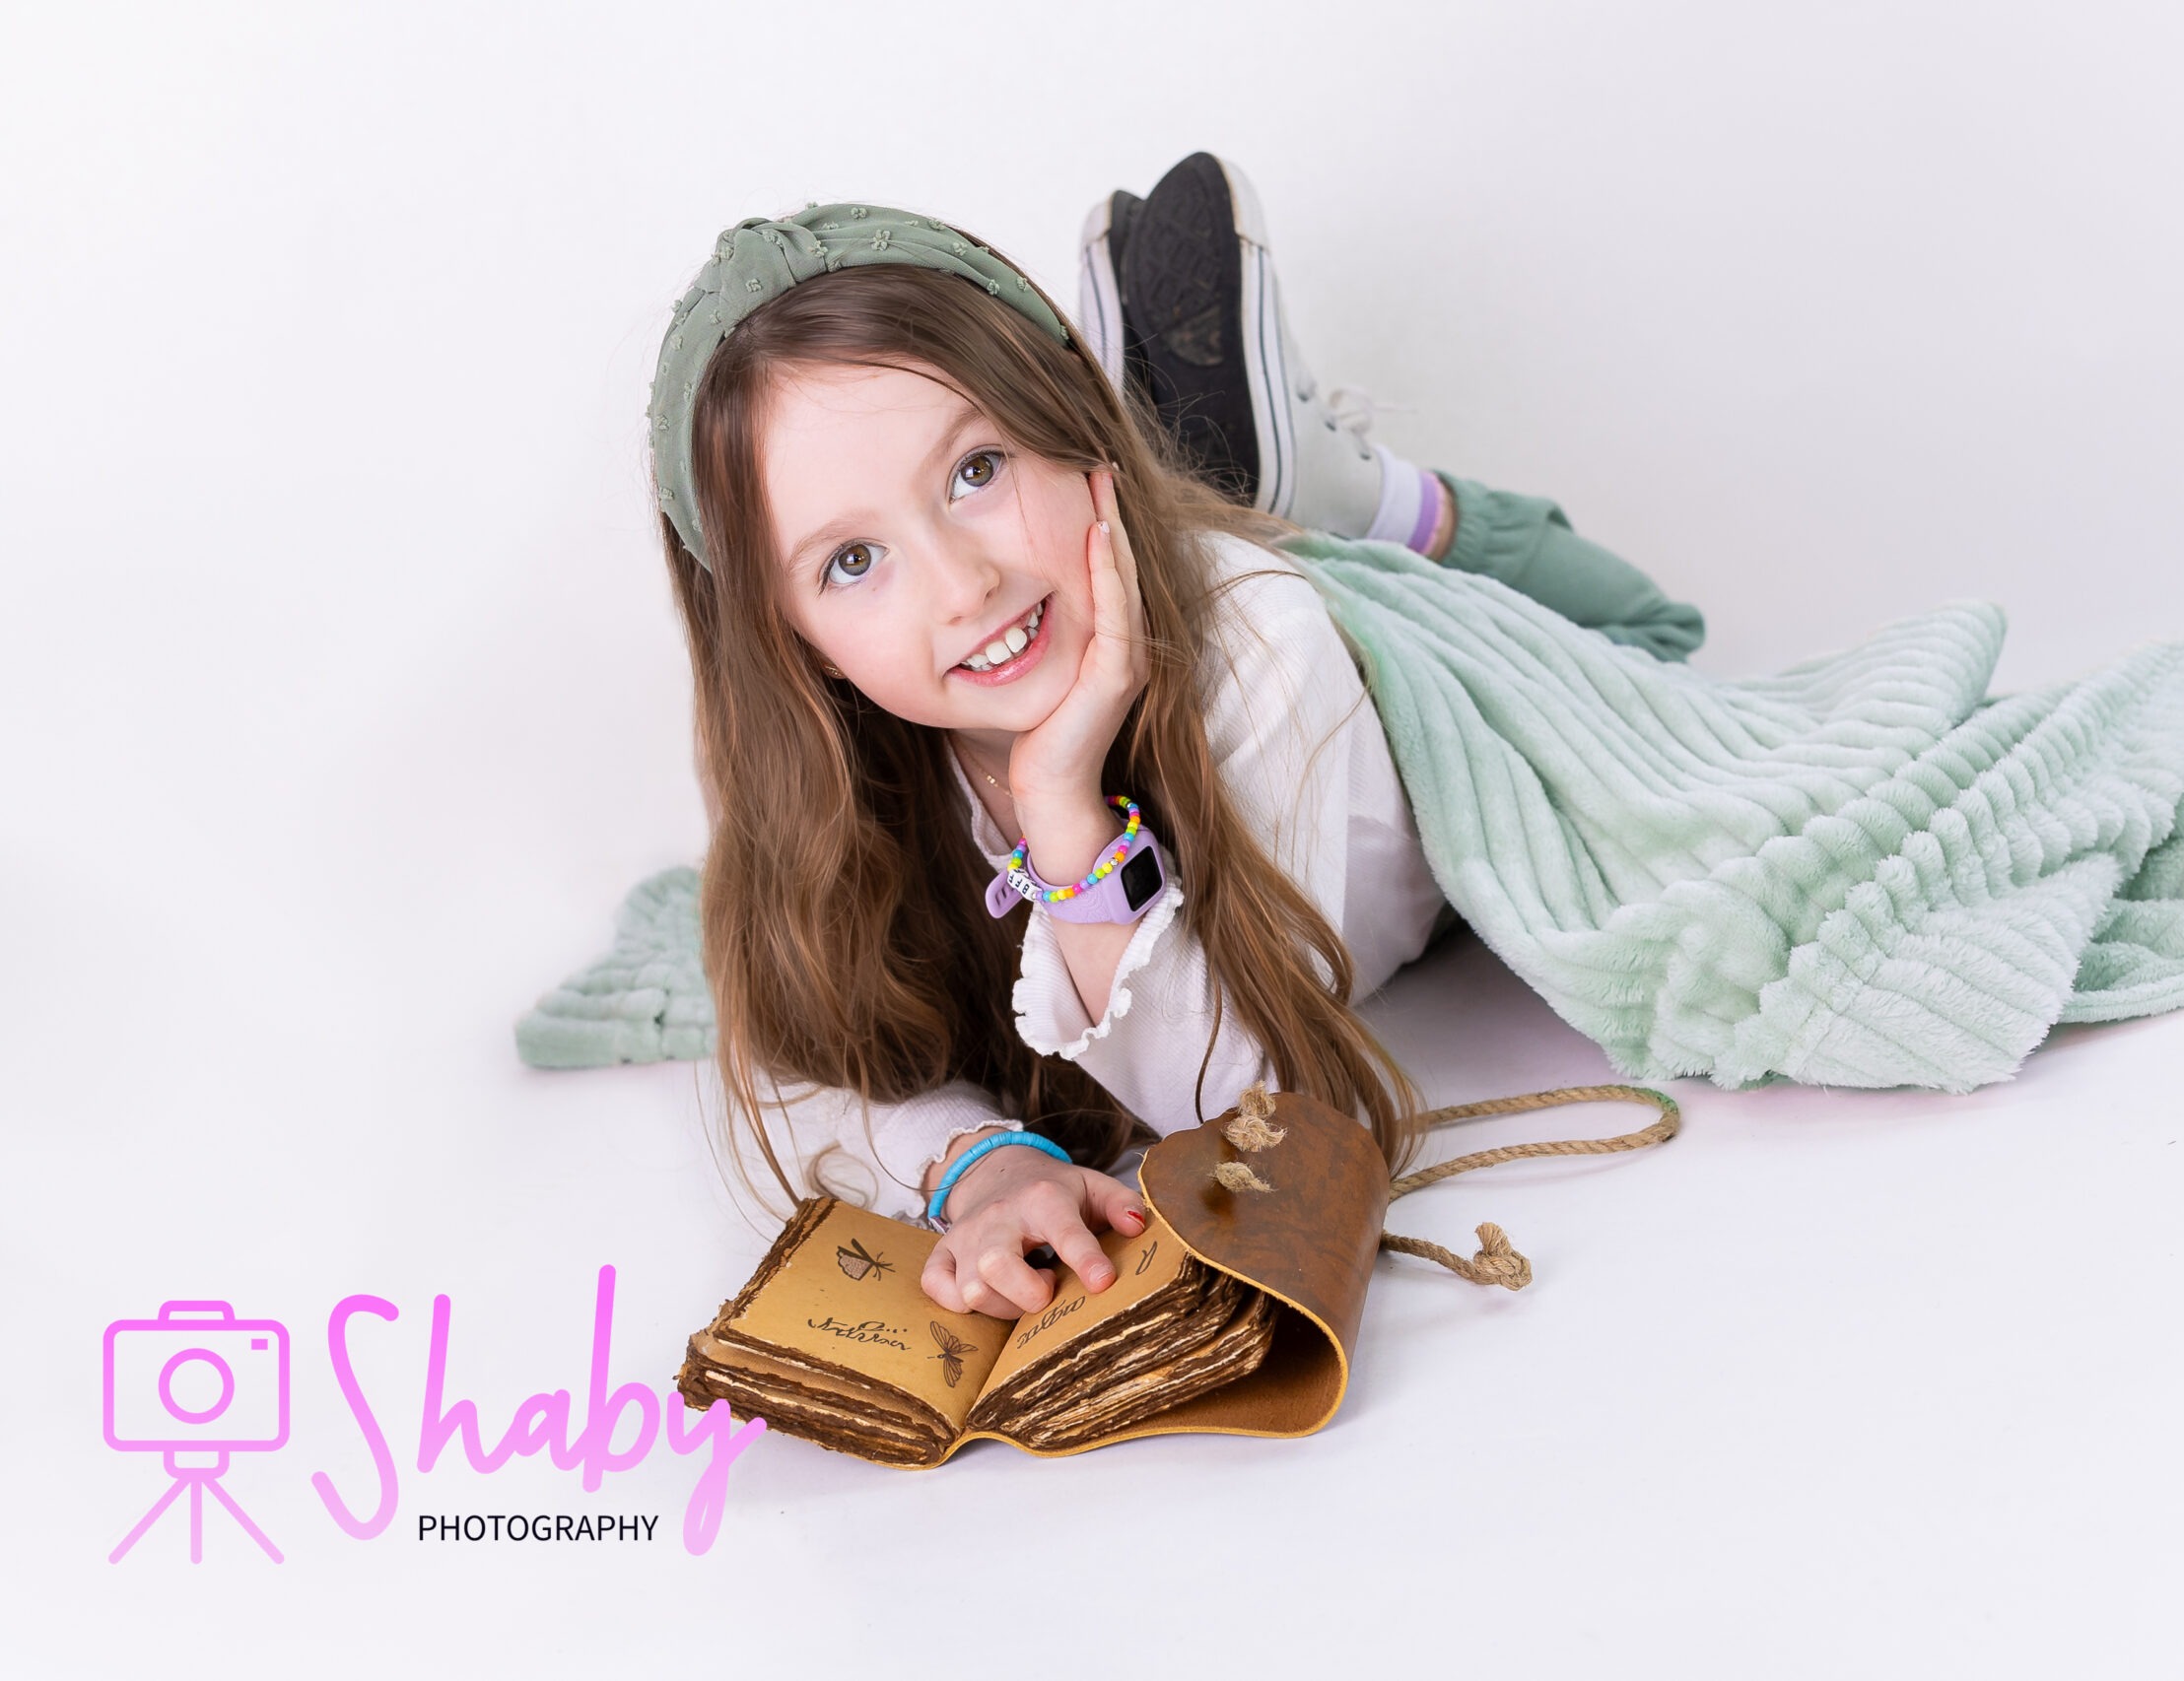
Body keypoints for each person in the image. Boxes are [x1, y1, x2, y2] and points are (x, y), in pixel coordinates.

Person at [650, 152, 1705, 1322]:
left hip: (1409, 665)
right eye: (852, 561)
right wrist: (975, 1163)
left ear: (1066, 415)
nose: (963, 585)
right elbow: (802, 1058)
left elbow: (1238, 1115)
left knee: (1650, 638)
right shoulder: (837, 767)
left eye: (976, 468)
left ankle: (1364, 499)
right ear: (786, 638)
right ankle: (1241, 464)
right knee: (1241, 541)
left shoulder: (1265, 648)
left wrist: (1063, 814)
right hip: (1167, 563)